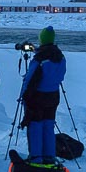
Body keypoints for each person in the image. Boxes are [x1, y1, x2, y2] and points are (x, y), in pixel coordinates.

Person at [19, 26, 67, 162]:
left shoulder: (40, 60)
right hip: (53, 96)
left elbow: (30, 79)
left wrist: (24, 97)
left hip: (37, 98)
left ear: (42, 40)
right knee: (48, 125)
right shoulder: (60, 56)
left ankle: (35, 158)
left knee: (35, 126)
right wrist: (34, 49)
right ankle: (49, 156)